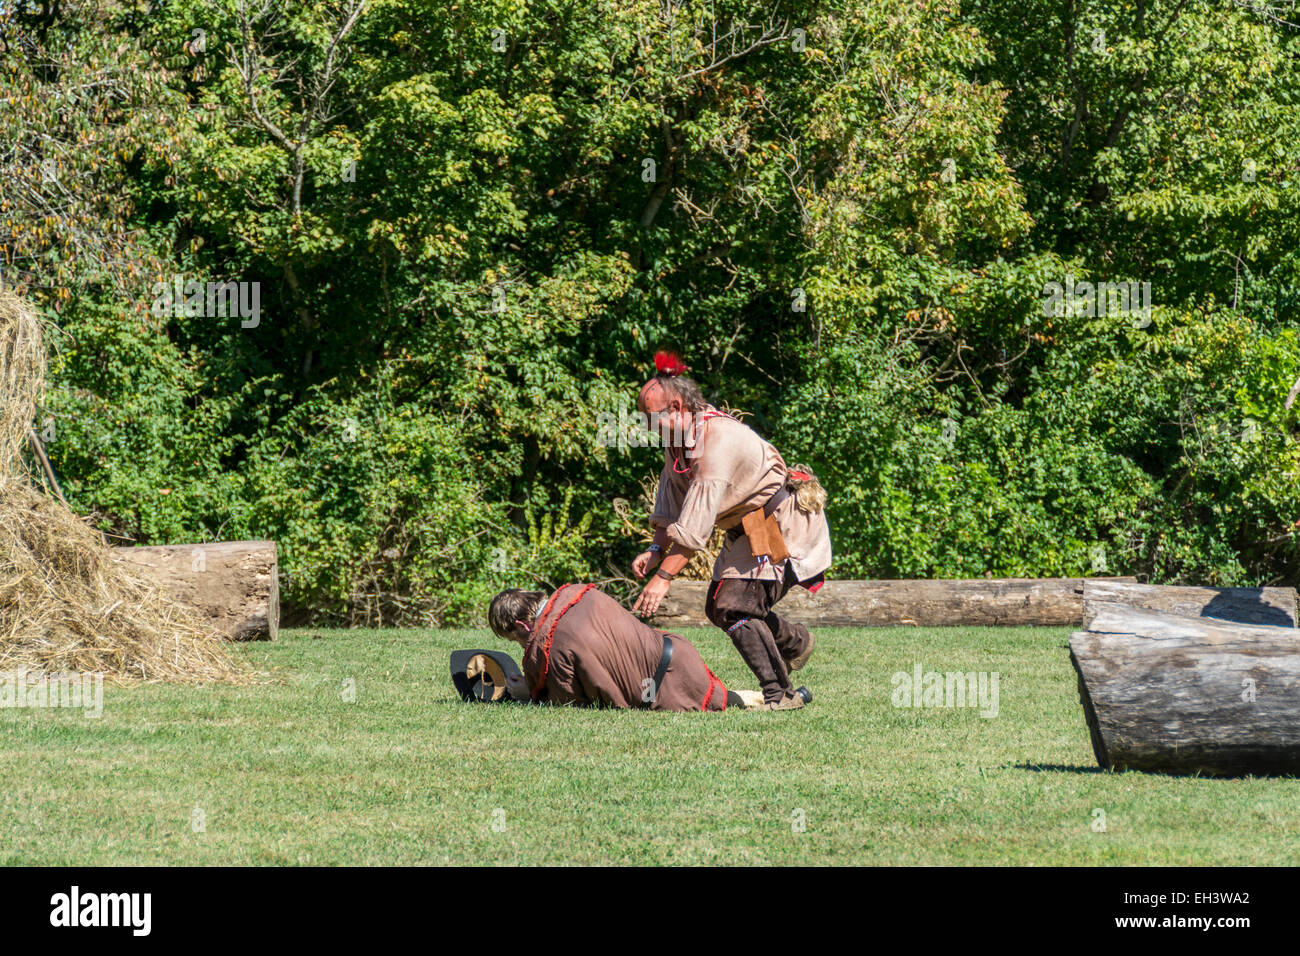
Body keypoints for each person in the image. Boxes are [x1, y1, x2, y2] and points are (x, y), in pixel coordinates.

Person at [630, 351, 831, 709]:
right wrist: (655, 549)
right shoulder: (678, 442)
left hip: (781, 524)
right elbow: (670, 504)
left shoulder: (715, 442)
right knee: (720, 606)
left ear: (676, 407)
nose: (647, 425)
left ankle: (781, 694)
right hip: (749, 526)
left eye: (651, 417)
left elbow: (694, 532)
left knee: (735, 608)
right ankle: (794, 643)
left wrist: (662, 579)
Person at [487, 584, 783, 710]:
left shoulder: (551, 646)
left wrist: (528, 693)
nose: (522, 646)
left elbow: (569, 703)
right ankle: (776, 700)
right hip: (679, 653)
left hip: (662, 692)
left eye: (517, 639)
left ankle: (774, 702)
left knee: (722, 705)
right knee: (725, 700)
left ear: (522, 626)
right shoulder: (580, 594)